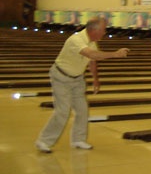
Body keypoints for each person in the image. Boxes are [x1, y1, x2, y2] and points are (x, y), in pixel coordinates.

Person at [35, 17, 130, 153]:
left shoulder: (92, 41)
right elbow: (91, 54)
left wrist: (96, 79)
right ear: (94, 30)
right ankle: (44, 141)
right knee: (62, 112)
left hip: (77, 79)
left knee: (82, 111)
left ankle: (78, 140)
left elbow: (92, 60)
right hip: (61, 77)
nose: (105, 33)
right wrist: (115, 54)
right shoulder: (76, 40)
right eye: (103, 30)